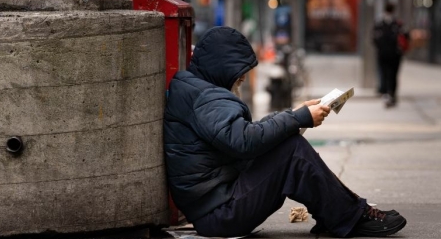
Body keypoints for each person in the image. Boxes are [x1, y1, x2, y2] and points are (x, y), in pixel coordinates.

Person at [164, 27, 407, 238]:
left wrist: (295, 115)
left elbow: (243, 135)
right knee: (292, 150)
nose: (242, 80)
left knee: (287, 144)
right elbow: (244, 141)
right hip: (220, 213)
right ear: (223, 67)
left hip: (217, 204)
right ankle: (350, 216)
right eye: (239, 76)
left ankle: (338, 213)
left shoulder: (196, 90)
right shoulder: (204, 97)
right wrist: (298, 118)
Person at [372, 3, 408, 108]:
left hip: (385, 54)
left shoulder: (380, 23)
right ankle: (390, 93)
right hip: (393, 54)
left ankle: (387, 93)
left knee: (385, 73)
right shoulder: (398, 24)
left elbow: (374, 38)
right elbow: (406, 36)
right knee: (392, 75)